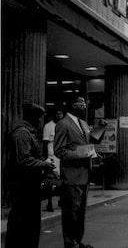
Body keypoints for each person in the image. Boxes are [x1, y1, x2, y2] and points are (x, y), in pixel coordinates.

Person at [5, 103, 56, 248]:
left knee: (30, 222)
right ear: (33, 117)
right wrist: (44, 164)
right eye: (39, 117)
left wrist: (42, 161)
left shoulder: (28, 132)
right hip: (22, 184)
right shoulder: (22, 133)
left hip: (28, 183)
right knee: (23, 221)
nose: (40, 121)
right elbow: (23, 159)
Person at [54, 96, 95, 248]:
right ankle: (70, 243)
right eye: (82, 104)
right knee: (71, 212)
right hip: (71, 175)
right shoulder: (63, 124)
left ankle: (78, 240)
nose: (85, 106)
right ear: (73, 105)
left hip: (84, 173)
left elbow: (89, 141)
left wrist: (101, 130)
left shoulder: (83, 123)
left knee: (80, 212)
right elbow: (59, 151)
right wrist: (80, 154)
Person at [42, 108, 64, 212]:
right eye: (58, 113)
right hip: (51, 156)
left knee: (62, 179)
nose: (59, 116)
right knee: (50, 181)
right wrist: (46, 157)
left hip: (61, 156)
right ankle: (49, 203)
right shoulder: (48, 126)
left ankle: (61, 200)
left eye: (61, 114)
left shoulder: (63, 126)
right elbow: (45, 142)